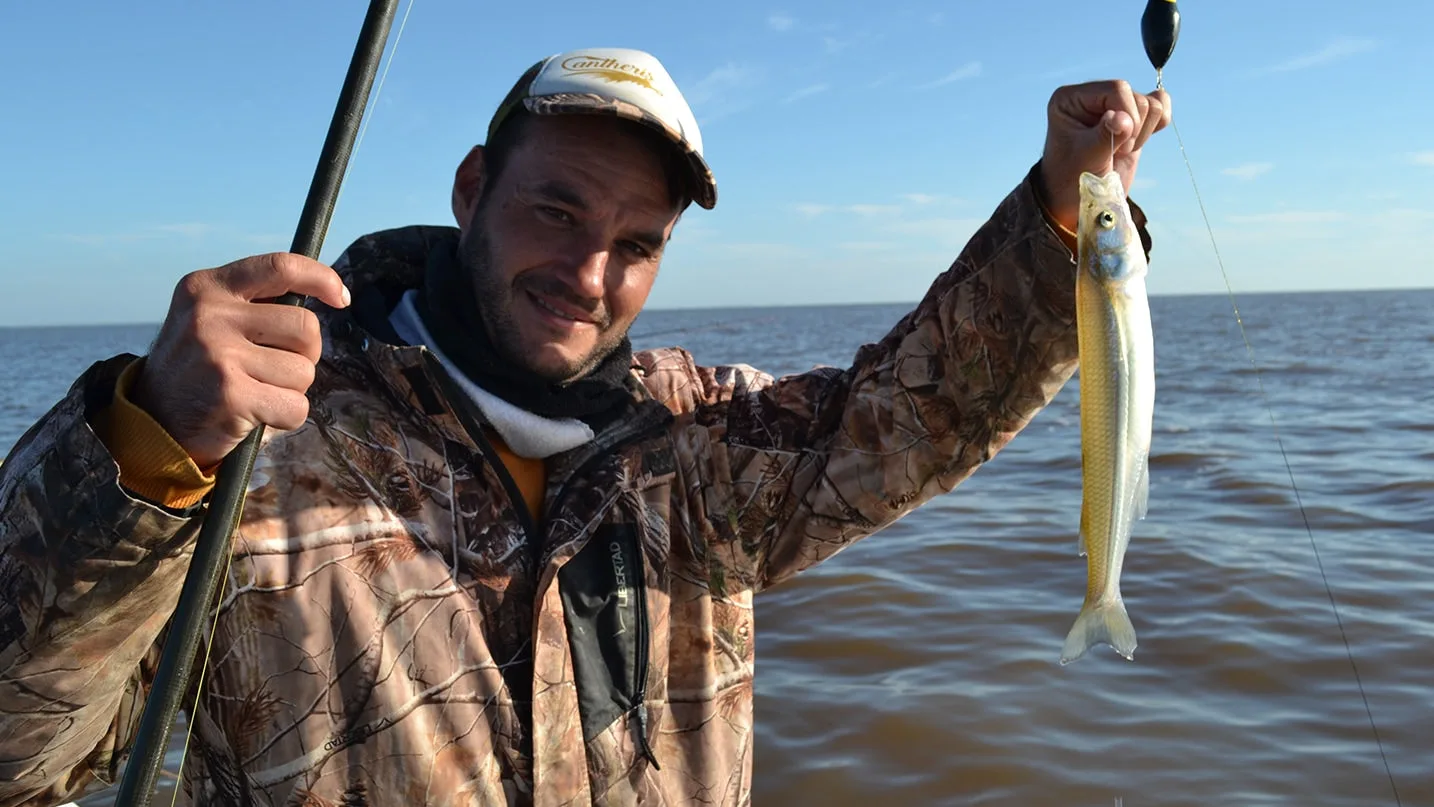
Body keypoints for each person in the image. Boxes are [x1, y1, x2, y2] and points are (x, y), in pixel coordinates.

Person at [0, 47, 1170, 807]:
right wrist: (140, 451)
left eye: (636, 243)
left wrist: (1067, 213)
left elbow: (927, 407)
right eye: (556, 211)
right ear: (472, 189)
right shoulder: (251, 443)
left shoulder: (698, 446)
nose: (590, 273)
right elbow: (21, 758)